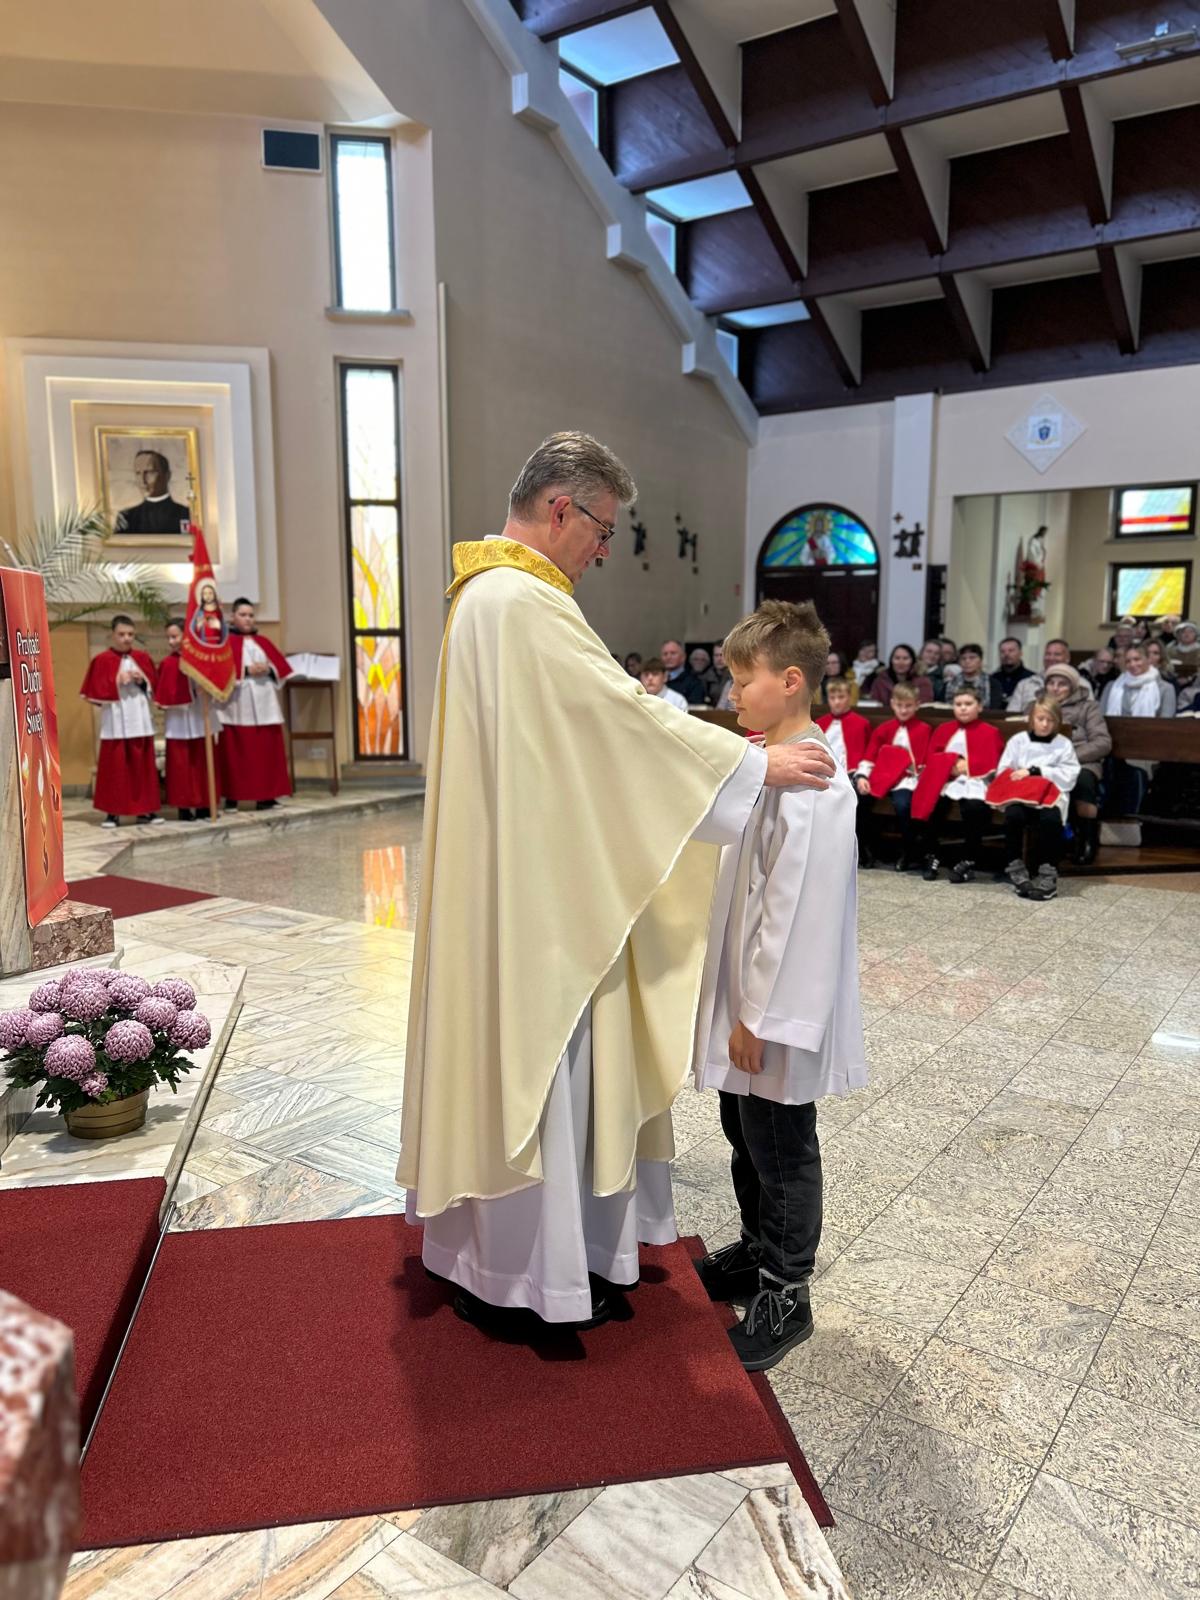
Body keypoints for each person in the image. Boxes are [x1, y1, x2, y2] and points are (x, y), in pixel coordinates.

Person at [396, 432, 837, 1331]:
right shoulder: (523, 601)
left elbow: (583, 738)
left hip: (519, 871)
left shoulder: (484, 596)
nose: (603, 550)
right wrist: (753, 767)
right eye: (602, 530)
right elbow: (620, 722)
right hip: (542, 899)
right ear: (561, 507)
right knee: (543, 1064)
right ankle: (536, 1276)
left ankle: (507, 1260)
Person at [690, 601, 865, 1371]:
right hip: (747, 1000)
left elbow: (797, 915)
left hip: (775, 1008)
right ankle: (757, 1250)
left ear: (791, 681)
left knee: (782, 1147)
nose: (731, 692)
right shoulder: (769, 761)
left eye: (742, 679)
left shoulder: (815, 782)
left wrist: (759, 1016)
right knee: (743, 1129)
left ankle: (786, 1291)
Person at [990, 697, 1080, 902]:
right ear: (1032, 719)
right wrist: (1018, 778)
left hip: (1050, 796)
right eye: (1040, 719)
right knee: (1013, 815)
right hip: (1021, 796)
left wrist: (1036, 771)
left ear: (1057, 721)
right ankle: (1016, 869)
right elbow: (1004, 769)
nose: (1045, 724)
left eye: (1050, 720)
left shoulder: (1063, 744)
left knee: (1051, 819)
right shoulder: (1018, 741)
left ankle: (1048, 875)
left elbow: (1070, 774)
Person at [913, 685, 1005, 883]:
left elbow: (993, 761)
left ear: (979, 706)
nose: (963, 708)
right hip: (945, 779)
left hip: (976, 780)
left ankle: (968, 860)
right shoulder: (944, 729)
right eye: (958, 704)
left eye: (968, 704)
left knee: (974, 808)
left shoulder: (990, 732)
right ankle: (932, 855)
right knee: (931, 803)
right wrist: (950, 764)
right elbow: (932, 756)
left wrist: (968, 766)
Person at [80, 614, 162, 827]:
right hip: (115, 722)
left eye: (130, 634)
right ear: (113, 635)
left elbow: (155, 689)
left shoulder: (142, 658)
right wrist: (116, 680)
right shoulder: (102, 660)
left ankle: (147, 810)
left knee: (143, 768)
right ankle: (113, 813)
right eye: (122, 634)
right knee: (115, 770)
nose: (126, 638)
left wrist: (142, 681)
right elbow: (93, 692)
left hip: (140, 720)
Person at [218, 598, 293, 810]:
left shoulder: (263, 642)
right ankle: (233, 796)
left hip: (265, 703)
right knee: (237, 754)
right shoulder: (226, 644)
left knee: (265, 753)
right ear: (233, 617)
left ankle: (266, 796)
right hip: (238, 704)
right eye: (243, 615)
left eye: (251, 615)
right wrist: (246, 671)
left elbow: (282, 669)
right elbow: (220, 673)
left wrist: (268, 669)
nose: (248, 619)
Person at [855, 683, 932, 870]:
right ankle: (865, 849)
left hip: (907, 779)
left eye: (908, 706)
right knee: (859, 799)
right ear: (892, 704)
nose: (903, 710)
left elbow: (925, 761)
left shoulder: (924, 729)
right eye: (899, 705)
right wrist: (862, 777)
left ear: (917, 705)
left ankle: (908, 852)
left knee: (903, 804)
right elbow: (869, 756)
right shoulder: (884, 729)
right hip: (880, 776)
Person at [1043, 663, 1110, 865]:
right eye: (1051, 683)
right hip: (1045, 760)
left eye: (1062, 684)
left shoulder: (1088, 707)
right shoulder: (1036, 704)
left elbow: (1102, 742)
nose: (1055, 688)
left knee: (1082, 781)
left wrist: (1069, 758)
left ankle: (1086, 839)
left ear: (1072, 687)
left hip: (1081, 760)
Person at [155, 619, 218, 821]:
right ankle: (183, 806)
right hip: (179, 721)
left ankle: (204, 804)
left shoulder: (204, 659)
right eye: (168, 638)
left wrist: (208, 688)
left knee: (202, 763)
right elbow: (163, 692)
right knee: (181, 766)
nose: (171, 642)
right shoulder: (168, 663)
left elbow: (219, 686)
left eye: (175, 636)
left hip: (201, 716)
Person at [114, 449, 192, 535]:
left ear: (167, 476)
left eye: (149, 472)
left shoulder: (185, 514)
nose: (142, 481)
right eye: (138, 473)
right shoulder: (126, 517)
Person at [816, 677, 870, 775]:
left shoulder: (861, 723)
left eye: (841, 697)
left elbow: (868, 754)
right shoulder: (819, 723)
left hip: (851, 773)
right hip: (823, 772)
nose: (836, 702)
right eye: (832, 698)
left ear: (849, 697)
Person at [1007, 638, 1073, 714]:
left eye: (1057, 654)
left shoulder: (1079, 684)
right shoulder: (1025, 684)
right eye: (1048, 654)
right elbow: (1011, 715)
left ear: (1067, 658)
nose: (1051, 658)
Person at [867, 643, 933, 706]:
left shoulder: (923, 682)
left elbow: (924, 706)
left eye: (905, 658)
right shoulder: (880, 681)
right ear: (891, 661)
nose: (901, 662)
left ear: (912, 661)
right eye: (897, 658)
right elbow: (875, 704)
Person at [988, 636, 1036, 711]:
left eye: (1011, 651)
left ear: (1021, 653)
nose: (1006, 654)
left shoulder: (1031, 679)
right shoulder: (992, 679)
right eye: (1002, 651)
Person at [661, 639, 707, 705]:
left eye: (673, 653)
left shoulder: (694, 683)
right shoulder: (656, 681)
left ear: (683, 657)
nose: (668, 657)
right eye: (665, 654)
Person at [712, 643, 734, 710]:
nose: (719, 659)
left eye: (722, 655)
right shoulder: (706, 676)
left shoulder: (734, 679)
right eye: (716, 655)